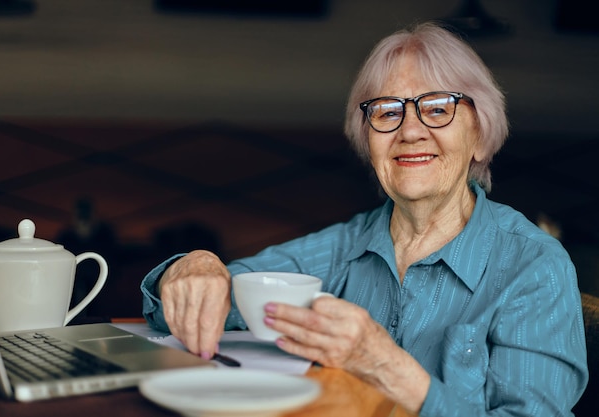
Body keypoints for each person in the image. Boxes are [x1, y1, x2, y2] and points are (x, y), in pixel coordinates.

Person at [140, 22, 588, 416]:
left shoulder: (533, 267)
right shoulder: (341, 249)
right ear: (368, 142)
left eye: (437, 108)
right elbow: (210, 299)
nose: (410, 131)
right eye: (387, 112)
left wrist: (385, 366)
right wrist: (195, 266)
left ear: (480, 136)